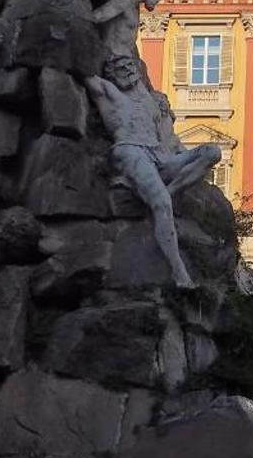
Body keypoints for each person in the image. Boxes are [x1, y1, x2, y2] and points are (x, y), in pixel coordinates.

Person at [85, 54, 220, 290]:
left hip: (159, 154)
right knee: (161, 203)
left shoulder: (149, 100)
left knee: (212, 152)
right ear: (110, 75)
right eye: (119, 68)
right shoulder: (108, 92)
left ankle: (172, 189)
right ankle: (180, 274)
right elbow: (85, 75)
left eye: (129, 66)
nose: (126, 70)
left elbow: (167, 132)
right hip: (130, 150)